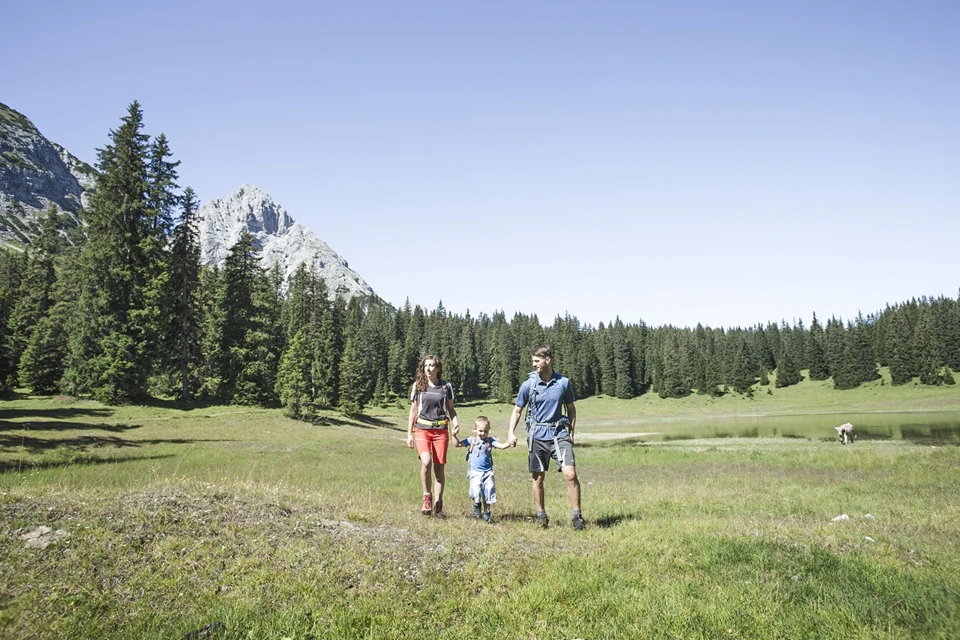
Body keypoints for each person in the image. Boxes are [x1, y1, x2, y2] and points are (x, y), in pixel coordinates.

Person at [507, 346, 585, 530]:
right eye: (533, 361)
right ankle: (541, 516)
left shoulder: (563, 383)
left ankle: (577, 517)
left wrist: (571, 432)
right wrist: (511, 432)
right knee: (538, 478)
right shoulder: (529, 384)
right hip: (537, 436)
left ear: (547, 360)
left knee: (570, 474)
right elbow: (517, 410)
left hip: (559, 434)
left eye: (537, 361)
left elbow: (571, 408)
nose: (533, 364)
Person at [407, 355, 459, 516]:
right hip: (422, 429)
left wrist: (455, 422)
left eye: (431, 366)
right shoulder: (418, 386)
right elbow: (413, 410)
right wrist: (409, 433)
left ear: (438, 368)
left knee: (439, 469)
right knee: (426, 463)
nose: (428, 368)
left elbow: (451, 409)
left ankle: (439, 504)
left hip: (441, 431)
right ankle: (426, 497)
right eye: (425, 366)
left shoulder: (446, 387)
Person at [455, 416, 514, 522]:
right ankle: (477, 507)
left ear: (489, 430)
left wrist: (509, 443)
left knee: (489, 492)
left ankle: (487, 512)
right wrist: (454, 435)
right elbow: (457, 444)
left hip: (488, 472)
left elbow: (500, 446)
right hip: (475, 472)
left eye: (485, 431)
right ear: (475, 429)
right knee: (476, 492)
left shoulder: (489, 441)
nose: (483, 433)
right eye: (480, 431)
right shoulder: (471, 440)